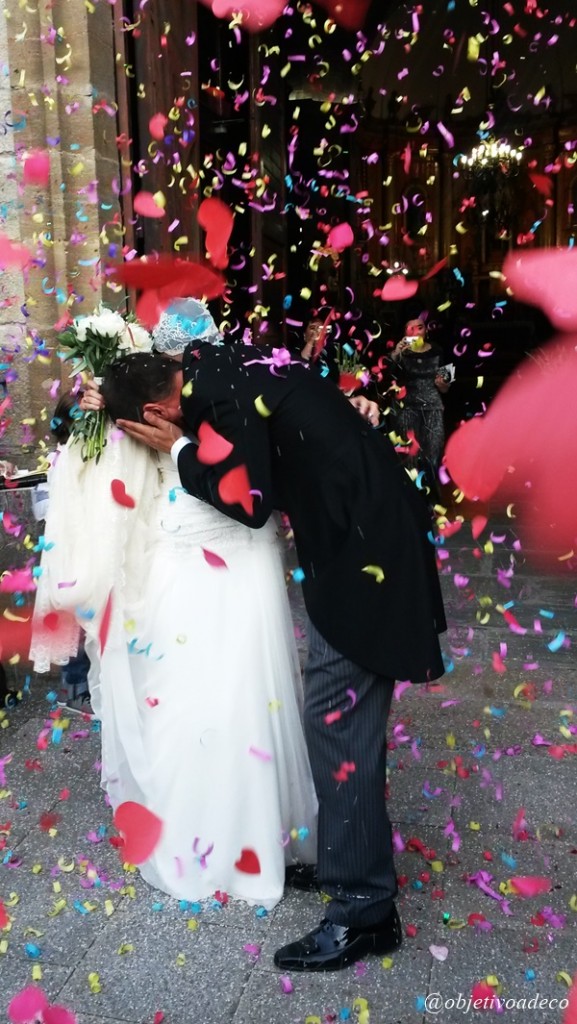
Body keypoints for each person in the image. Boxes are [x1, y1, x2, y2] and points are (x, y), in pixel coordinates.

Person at [100, 330, 447, 972]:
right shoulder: (224, 360)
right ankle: (352, 870)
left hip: (365, 547)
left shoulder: (214, 398)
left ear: (153, 414)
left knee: (335, 720)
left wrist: (177, 448)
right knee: (336, 720)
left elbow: (249, 504)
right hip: (359, 533)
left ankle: (364, 911)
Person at [30, 302, 318, 910]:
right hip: (194, 558)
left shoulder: (217, 387)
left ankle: (242, 830)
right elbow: (71, 435)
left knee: (240, 694)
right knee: (206, 697)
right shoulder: (144, 391)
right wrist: (87, 406)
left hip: (228, 557)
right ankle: (222, 828)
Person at [31, 393, 93, 717]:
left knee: (84, 619)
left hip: (81, 543)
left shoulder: (76, 456)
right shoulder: (62, 459)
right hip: (67, 547)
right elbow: (42, 508)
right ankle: (75, 690)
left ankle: (83, 688)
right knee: (73, 619)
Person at [390, 317, 451, 496]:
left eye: (419, 327)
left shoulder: (439, 351)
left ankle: (432, 500)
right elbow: (385, 375)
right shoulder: (401, 354)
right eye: (410, 329)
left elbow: (447, 387)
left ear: (426, 331)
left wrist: (442, 383)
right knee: (410, 457)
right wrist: (396, 353)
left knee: (433, 454)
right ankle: (412, 500)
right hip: (407, 408)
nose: (415, 332)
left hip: (433, 407)